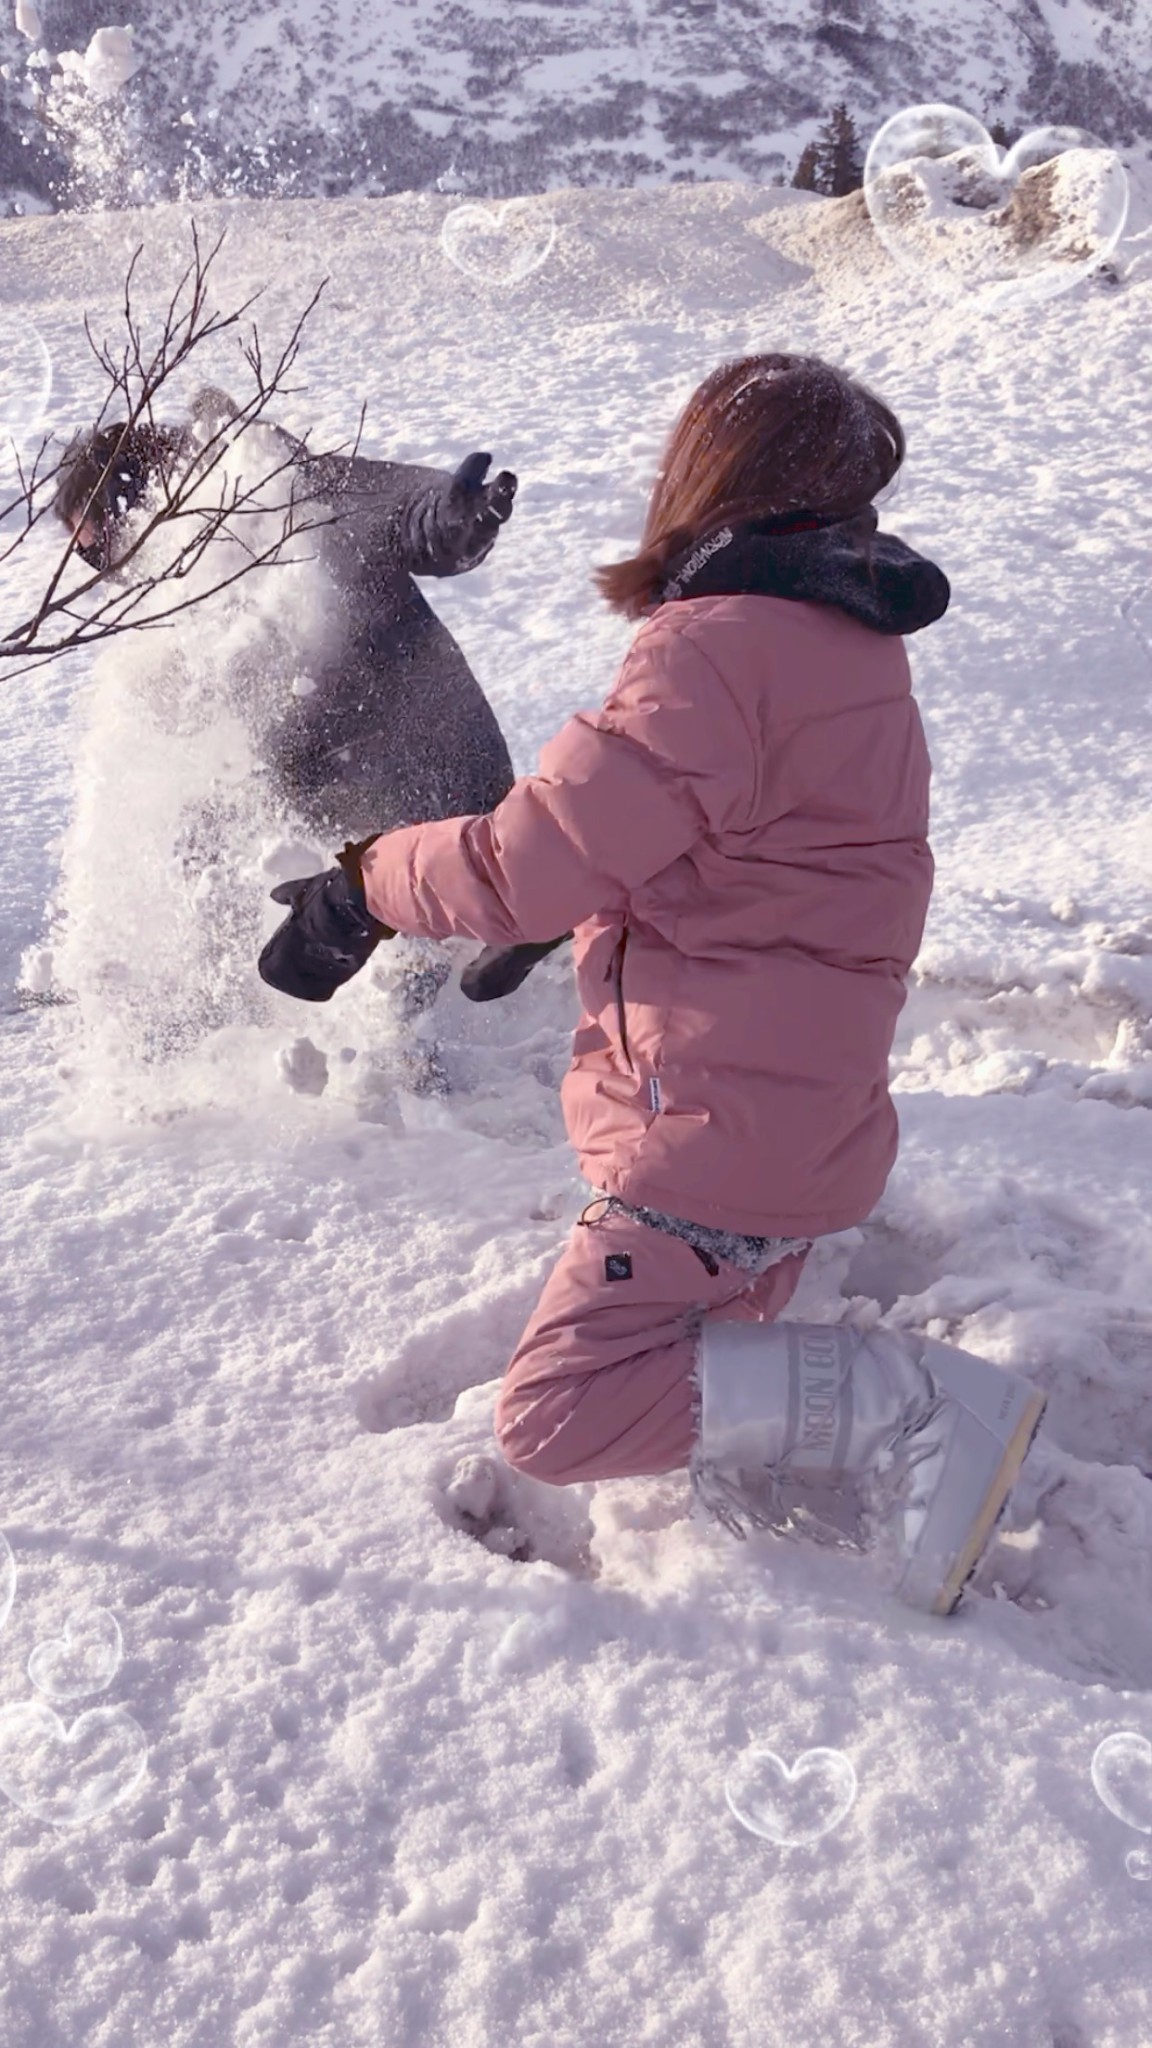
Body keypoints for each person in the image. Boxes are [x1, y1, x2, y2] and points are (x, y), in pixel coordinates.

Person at [255, 352, 1048, 1616]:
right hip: (797, 1115)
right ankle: (770, 1368)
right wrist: (604, 893)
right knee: (690, 1316)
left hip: (712, 1135)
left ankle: (918, 1399)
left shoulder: (716, 649)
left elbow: (522, 864)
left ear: (712, 474)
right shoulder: (846, 647)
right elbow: (759, 865)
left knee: (557, 1414)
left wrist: (359, 885)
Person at [52, 394, 565, 1014]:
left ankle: (508, 934)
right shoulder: (188, 590)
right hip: (341, 802)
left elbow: (406, 513)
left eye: (98, 542)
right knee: (208, 833)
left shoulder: (288, 495)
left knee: (403, 991)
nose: (105, 566)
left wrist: (455, 519)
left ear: (140, 503)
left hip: (431, 762)